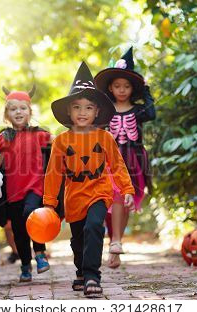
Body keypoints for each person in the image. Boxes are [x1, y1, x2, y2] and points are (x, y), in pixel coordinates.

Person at [43, 62, 135, 297]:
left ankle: (93, 275)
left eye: (88, 107)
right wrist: (49, 203)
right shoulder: (62, 142)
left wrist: (127, 190)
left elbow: (117, 166)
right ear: (69, 112)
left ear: (97, 112)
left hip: (99, 191)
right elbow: (53, 173)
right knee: (78, 239)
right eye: (77, 107)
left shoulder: (104, 138)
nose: (82, 112)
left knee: (95, 226)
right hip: (73, 197)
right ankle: (82, 272)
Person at [0, 85, 52, 282]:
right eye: (13, 108)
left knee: (32, 215)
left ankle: (40, 253)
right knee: (18, 230)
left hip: (36, 186)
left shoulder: (40, 134)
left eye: (23, 108)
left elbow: (57, 146)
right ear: (7, 114)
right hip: (14, 191)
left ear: (30, 111)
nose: (18, 112)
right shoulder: (3, 138)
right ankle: (26, 264)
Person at [94, 47, 156, 268]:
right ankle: (116, 241)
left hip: (134, 158)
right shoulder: (105, 110)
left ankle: (115, 245)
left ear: (133, 88)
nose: (122, 90)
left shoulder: (138, 110)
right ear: (111, 87)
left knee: (126, 200)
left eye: (127, 86)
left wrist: (146, 89)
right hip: (110, 159)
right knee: (115, 198)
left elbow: (152, 113)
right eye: (117, 86)